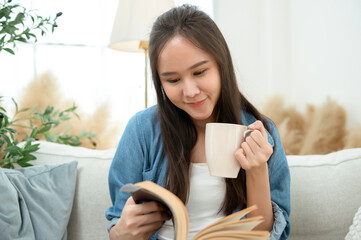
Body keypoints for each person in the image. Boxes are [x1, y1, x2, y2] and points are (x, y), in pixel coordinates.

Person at [106, 4, 290, 240]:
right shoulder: (142, 130)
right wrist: (121, 232)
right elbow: (118, 223)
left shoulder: (262, 133)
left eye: (200, 72)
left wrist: (257, 171)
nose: (190, 91)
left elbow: (264, 235)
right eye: (173, 80)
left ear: (221, 65)